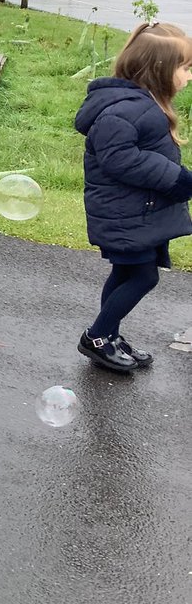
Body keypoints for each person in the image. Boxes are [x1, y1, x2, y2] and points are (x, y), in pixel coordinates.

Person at [75, 21, 192, 373]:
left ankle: (109, 334)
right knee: (144, 277)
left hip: (135, 211)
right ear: (159, 70)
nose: (189, 76)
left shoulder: (142, 104)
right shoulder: (125, 109)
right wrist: (176, 178)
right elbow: (119, 157)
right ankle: (97, 337)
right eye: (185, 67)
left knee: (125, 272)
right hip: (124, 214)